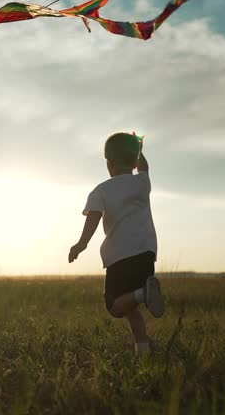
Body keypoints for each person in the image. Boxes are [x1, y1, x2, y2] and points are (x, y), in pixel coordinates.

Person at [68, 132, 164, 354]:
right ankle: (144, 352)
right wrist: (139, 148)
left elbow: (93, 218)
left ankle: (144, 294)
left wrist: (81, 244)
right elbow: (144, 167)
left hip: (119, 256)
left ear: (109, 164)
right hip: (147, 253)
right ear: (134, 161)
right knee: (131, 307)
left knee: (115, 306)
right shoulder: (142, 183)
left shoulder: (101, 191)